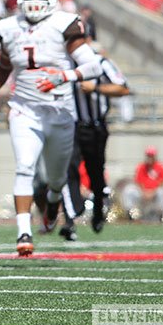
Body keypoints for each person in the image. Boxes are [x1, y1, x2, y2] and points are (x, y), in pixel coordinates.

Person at [0, 0, 104, 256]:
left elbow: (93, 66)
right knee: (24, 165)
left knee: (57, 178)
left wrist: (64, 76)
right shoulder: (10, 27)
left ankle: (53, 199)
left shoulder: (63, 24)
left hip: (59, 112)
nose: (35, 3)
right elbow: (4, 65)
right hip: (24, 109)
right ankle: (24, 231)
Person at [64, 54, 130, 239]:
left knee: (95, 173)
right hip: (71, 126)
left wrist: (95, 88)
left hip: (95, 127)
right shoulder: (64, 62)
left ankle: (98, 209)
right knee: (68, 168)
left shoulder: (100, 62)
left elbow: (123, 88)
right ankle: (71, 217)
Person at [125, 146, 163, 221]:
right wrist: (144, 192)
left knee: (161, 192)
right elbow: (138, 182)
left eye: (151, 156)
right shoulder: (141, 167)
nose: (150, 158)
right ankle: (130, 214)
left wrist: (152, 192)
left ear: (155, 156)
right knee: (129, 190)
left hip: (155, 192)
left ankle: (161, 215)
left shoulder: (160, 167)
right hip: (142, 192)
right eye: (148, 156)